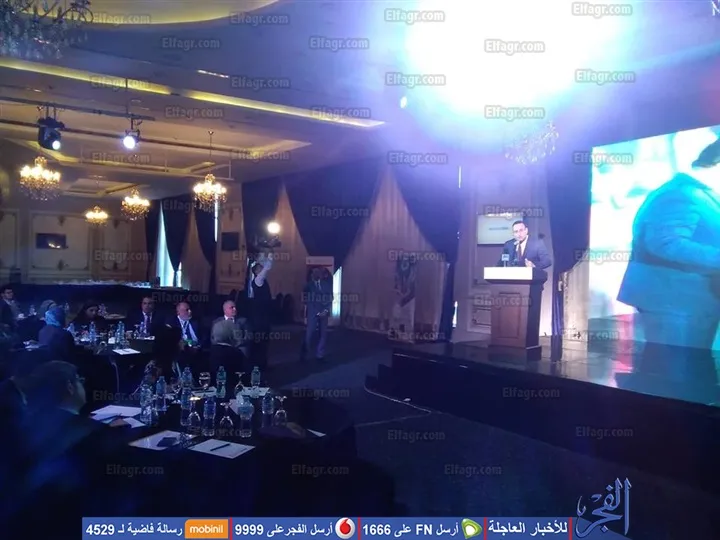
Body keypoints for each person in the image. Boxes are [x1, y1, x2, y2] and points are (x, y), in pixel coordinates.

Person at [618, 137, 720, 351]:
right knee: (673, 367)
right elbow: (666, 244)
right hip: (675, 303)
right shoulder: (681, 194)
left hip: (687, 302)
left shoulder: (698, 193)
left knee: (688, 366)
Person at [248, 252, 274, 370]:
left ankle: (262, 363)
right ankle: (259, 364)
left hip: (263, 315)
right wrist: (270, 254)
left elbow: (267, 266)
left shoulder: (260, 280)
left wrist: (266, 255)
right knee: (261, 340)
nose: (262, 268)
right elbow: (267, 267)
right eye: (260, 268)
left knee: (264, 340)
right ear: (256, 271)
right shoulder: (258, 280)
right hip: (260, 317)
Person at [301, 267, 333, 362]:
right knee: (309, 333)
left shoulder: (326, 284)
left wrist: (326, 310)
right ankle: (305, 353)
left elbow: (330, 297)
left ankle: (320, 355)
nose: (316, 274)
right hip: (313, 312)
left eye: (318, 272)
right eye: (314, 272)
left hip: (324, 312)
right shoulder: (308, 286)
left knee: (323, 334)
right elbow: (306, 299)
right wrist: (317, 312)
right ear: (311, 275)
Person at [209, 319, 249, 391]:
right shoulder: (237, 354)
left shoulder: (206, 353)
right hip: (232, 394)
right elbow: (247, 379)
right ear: (232, 334)